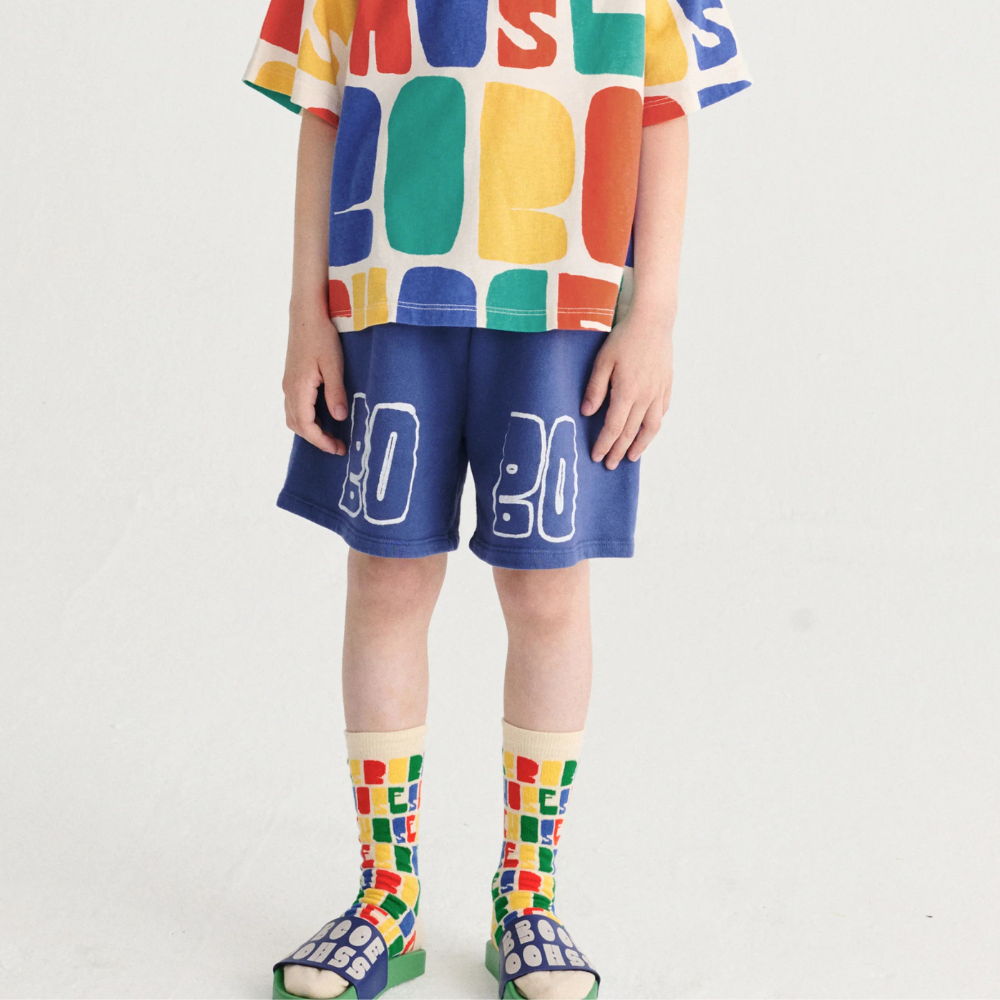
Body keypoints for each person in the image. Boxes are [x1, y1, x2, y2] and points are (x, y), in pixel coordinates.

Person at [243, 1, 750, 996]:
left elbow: (664, 105)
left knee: (547, 591)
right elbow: (323, 105)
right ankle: (386, 897)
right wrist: (306, 309)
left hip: (570, 300)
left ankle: (528, 897)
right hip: (387, 289)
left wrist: (654, 315)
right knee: (386, 578)